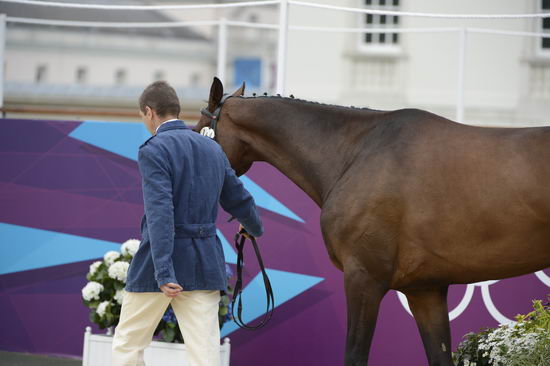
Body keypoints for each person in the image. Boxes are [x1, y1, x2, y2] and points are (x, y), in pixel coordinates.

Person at [112, 80, 263, 366]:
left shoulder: (153, 149)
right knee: (204, 352)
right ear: (176, 109)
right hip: (204, 262)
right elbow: (240, 199)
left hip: (159, 263)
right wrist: (253, 228)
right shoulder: (212, 149)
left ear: (149, 111)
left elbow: (160, 213)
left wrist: (164, 270)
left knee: (128, 345)